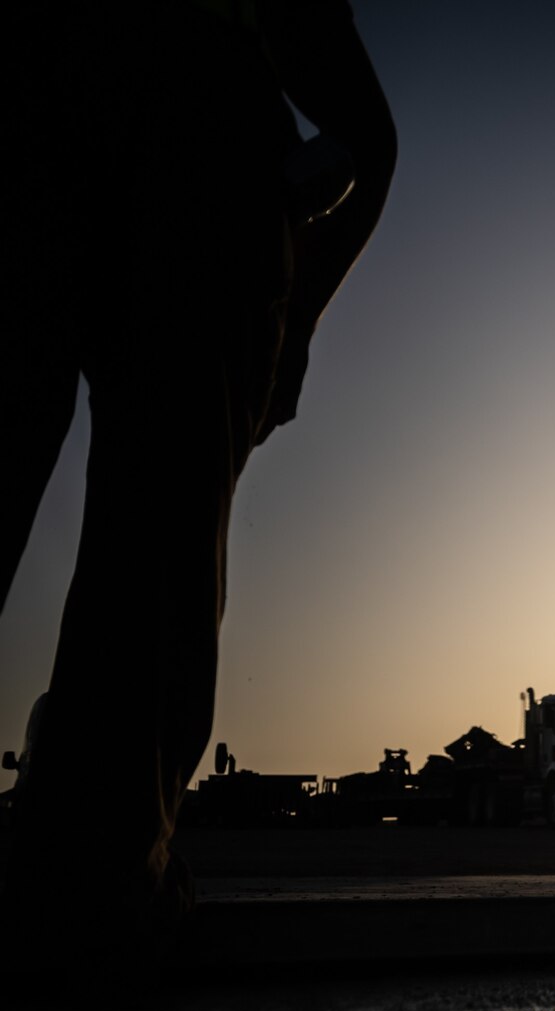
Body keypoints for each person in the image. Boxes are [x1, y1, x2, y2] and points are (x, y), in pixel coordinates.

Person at [3, 0, 397, 944]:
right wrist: (294, 322)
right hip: (204, 124)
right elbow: (366, 135)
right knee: (160, 530)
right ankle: (90, 880)